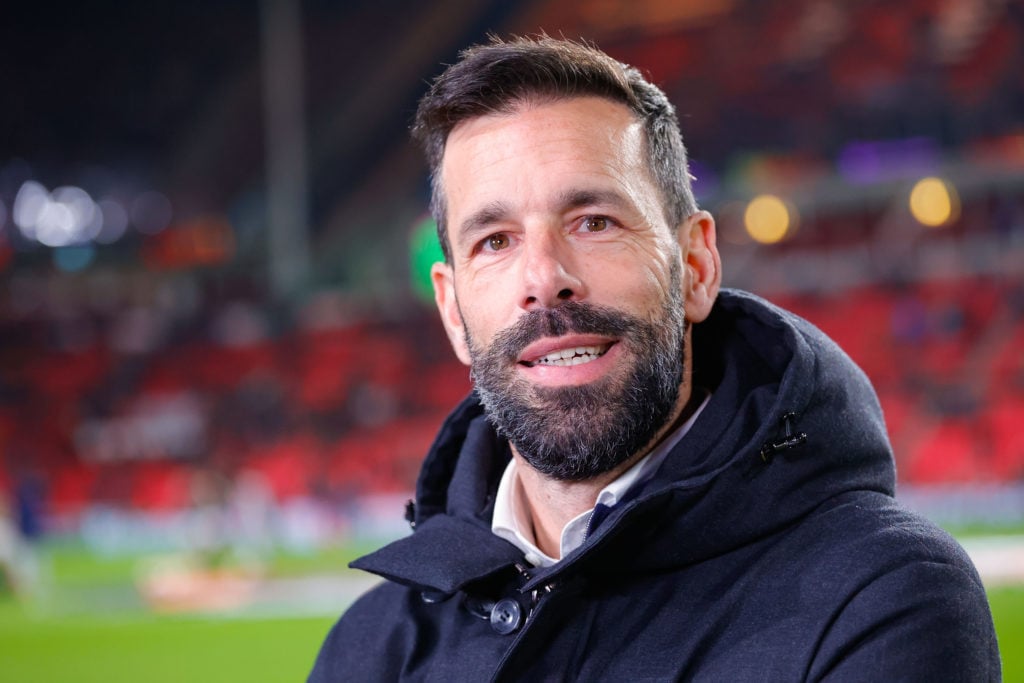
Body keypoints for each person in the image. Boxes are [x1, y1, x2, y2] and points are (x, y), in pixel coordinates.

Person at [310, 35, 1000, 681]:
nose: (544, 275)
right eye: (494, 240)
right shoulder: (367, 649)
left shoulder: (884, 598)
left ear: (696, 265)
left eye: (594, 221)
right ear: (453, 310)